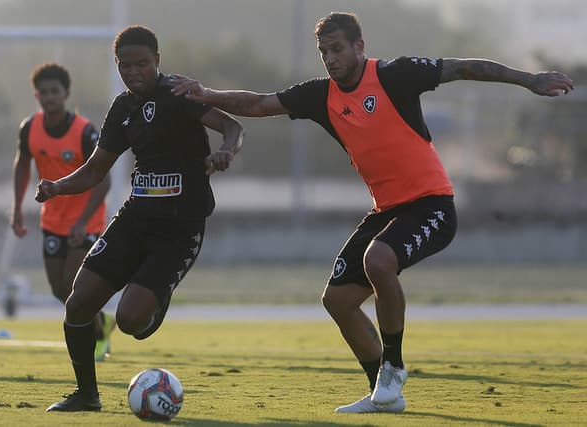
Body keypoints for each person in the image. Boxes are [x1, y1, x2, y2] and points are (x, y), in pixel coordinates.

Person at [169, 12, 574, 414]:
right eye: (323, 51)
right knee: (338, 300)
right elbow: (257, 104)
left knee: (379, 260)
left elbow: (465, 67)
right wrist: (206, 94)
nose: (330, 58)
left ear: (360, 47)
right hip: (388, 210)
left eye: (338, 49)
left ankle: (393, 366)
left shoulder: (397, 74)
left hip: (433, 203)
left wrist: (529, 79)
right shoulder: (319, 95)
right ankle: (384, 393)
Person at [37, 25, 244, 412]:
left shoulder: (180, 94)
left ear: (158, 61)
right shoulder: (123, 108)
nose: (133, 72)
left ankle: (153, 298)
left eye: (142, 64)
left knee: (130, 321)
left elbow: (232, 126)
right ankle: (87, 394)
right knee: (78, 302)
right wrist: (56, 187)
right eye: (125, 65)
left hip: (179, 228)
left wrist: (226, 152)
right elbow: (95, 169)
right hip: (135, 219)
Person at [11, 63, 115, 362]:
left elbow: (103, 179)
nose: (49, 97)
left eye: (55, 91)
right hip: (52, 221)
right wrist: (17, 207)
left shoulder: (84, 132)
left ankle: (96, 336)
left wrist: (83, 221)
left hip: (85, 222)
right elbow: (22, 164)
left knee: (74, 286)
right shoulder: (29, 128)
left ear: (66, 93)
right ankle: (102, 321)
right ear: (36, 95)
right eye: (43, 92)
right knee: (59, 289)